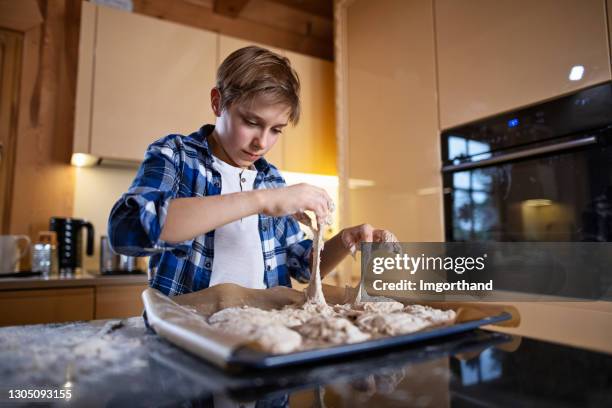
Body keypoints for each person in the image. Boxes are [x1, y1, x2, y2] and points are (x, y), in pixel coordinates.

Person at [108, 46, 395, 296]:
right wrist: (260, 200)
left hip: (260, 334)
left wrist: (343, 242)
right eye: (251, 122)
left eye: (276, 130)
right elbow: (127, 229)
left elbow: (302, 266)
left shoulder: (271, 179)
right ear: (218, 102)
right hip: (189, 336)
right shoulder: (176, 155)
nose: (262, 142)